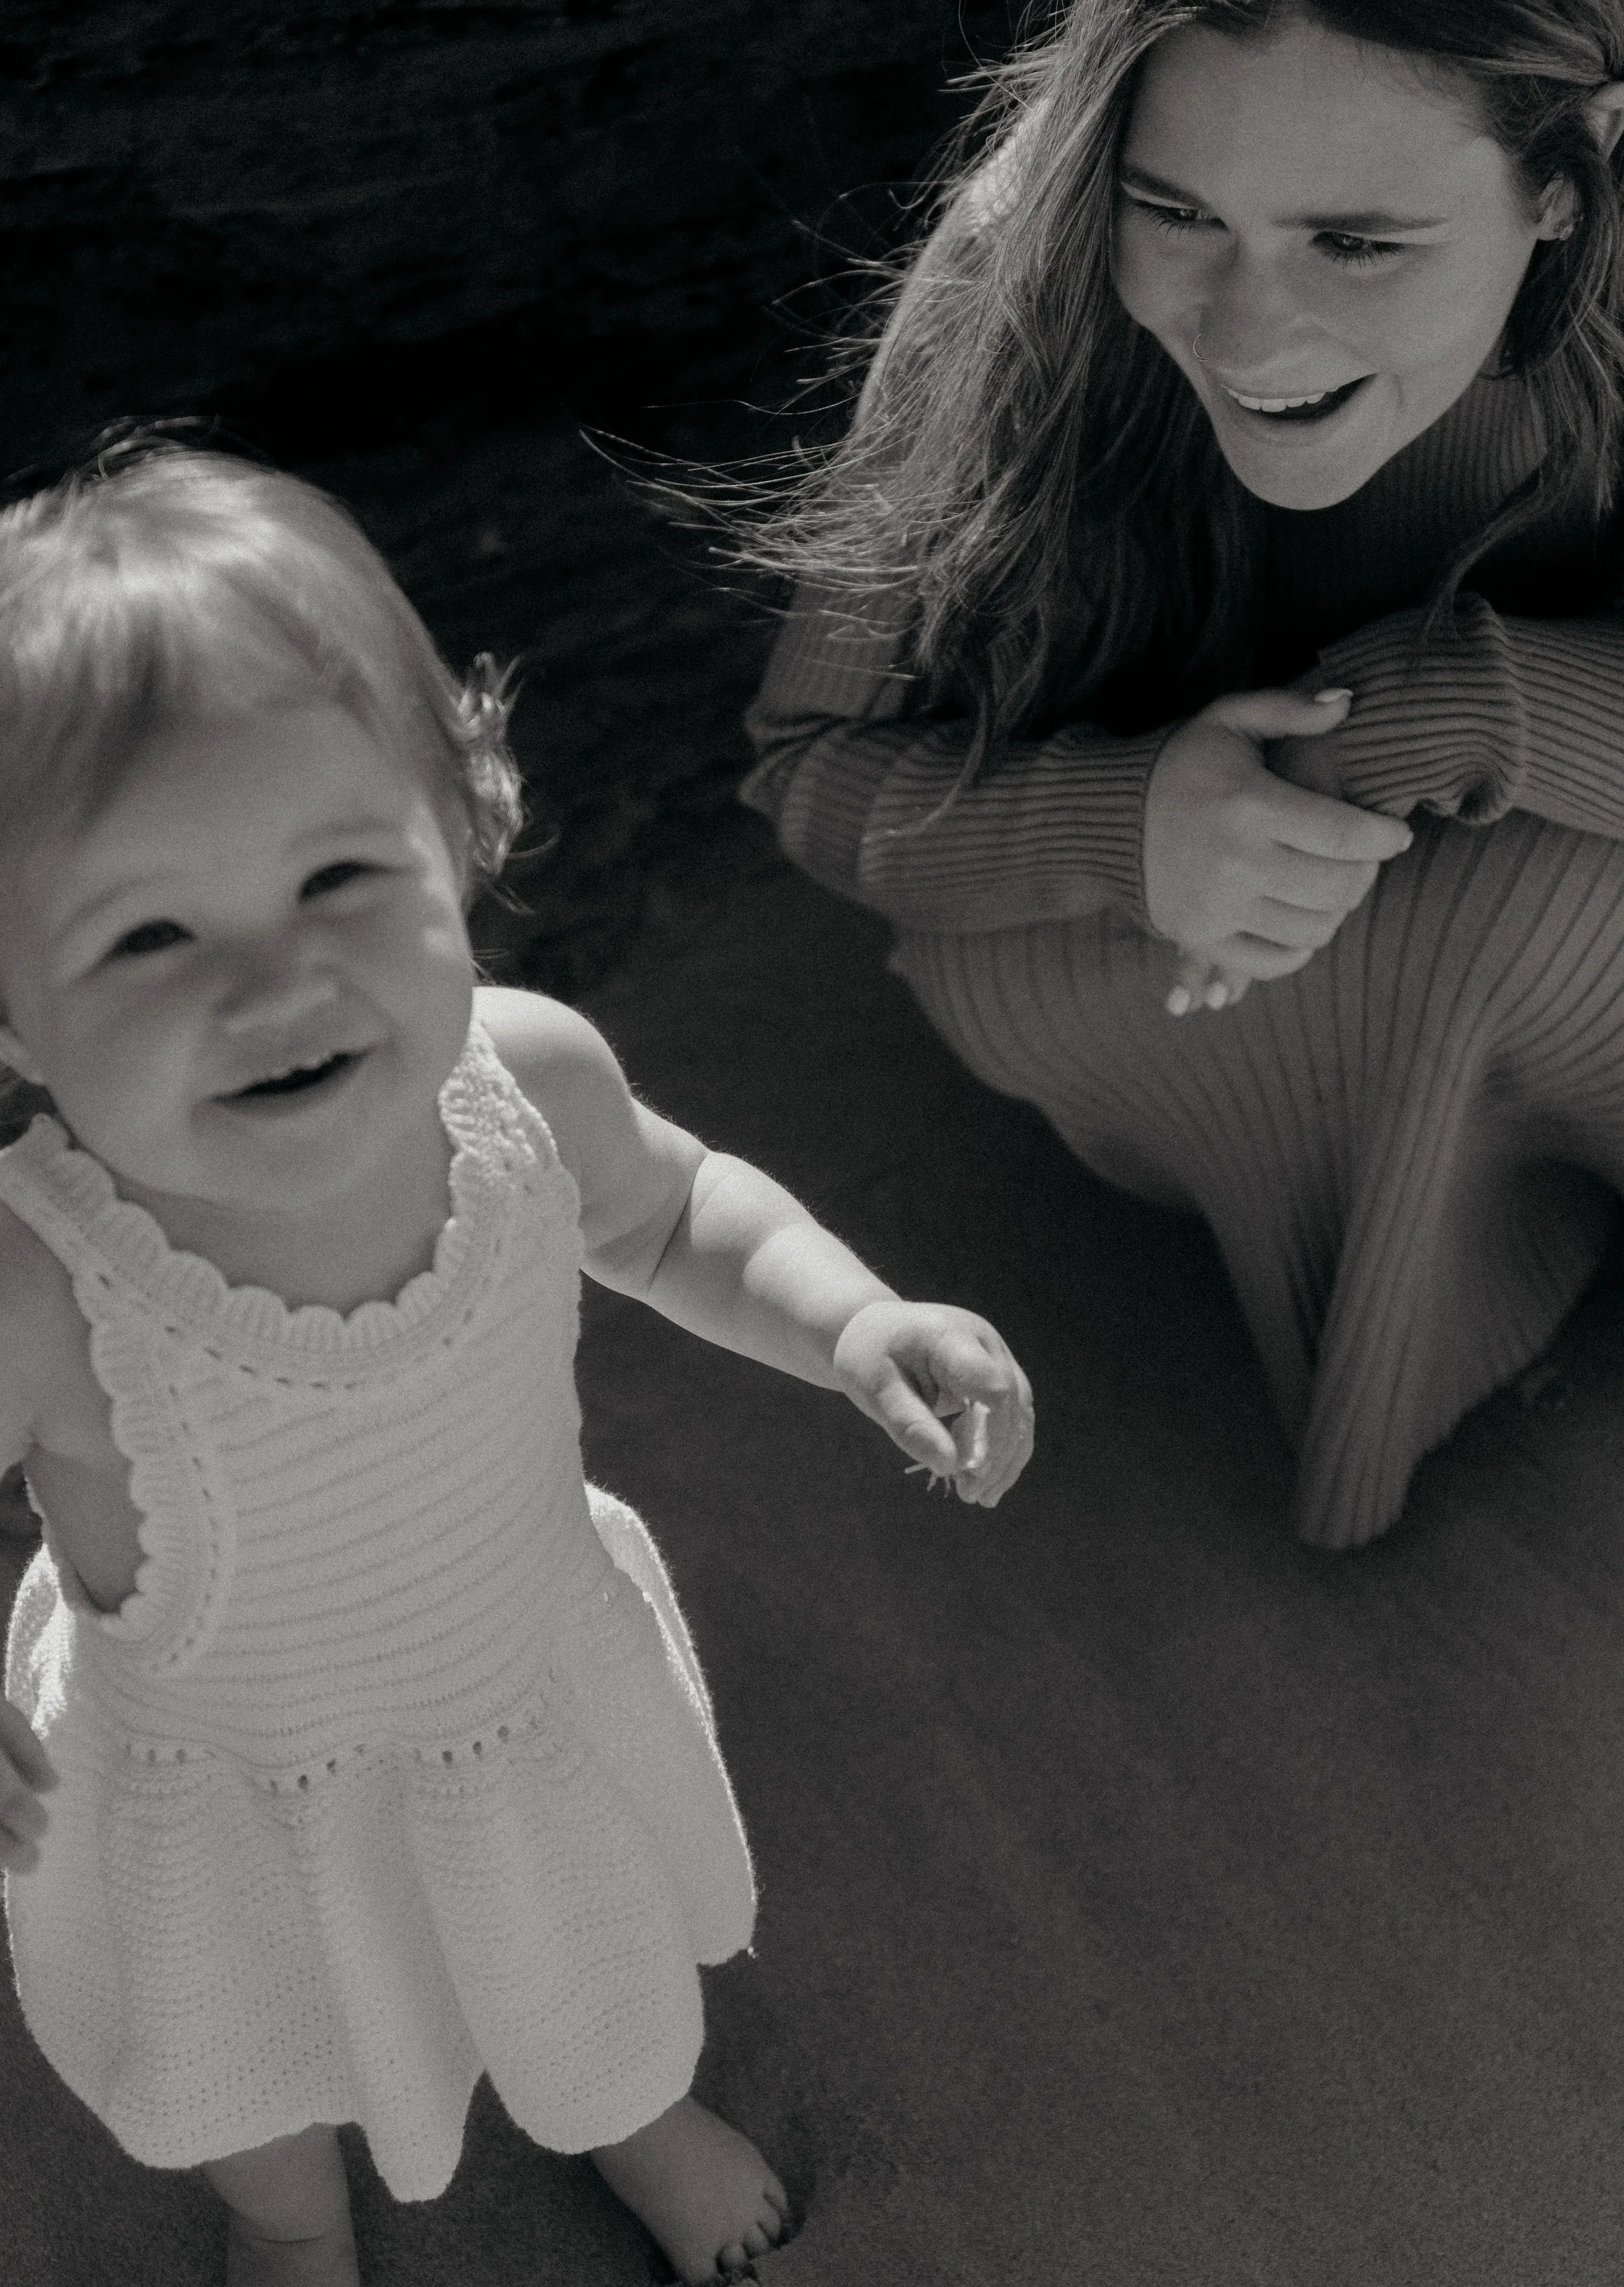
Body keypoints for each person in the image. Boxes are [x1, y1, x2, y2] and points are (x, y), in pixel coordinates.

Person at [0, 439, 1034, 2287]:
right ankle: (293, 2229)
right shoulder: (38, 1274)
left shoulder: (525, 1082)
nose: (277, 980)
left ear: (461, 827)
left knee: (589, 1970)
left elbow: (675, 1215)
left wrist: (851, 1318)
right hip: (212, 1787)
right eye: (149, 933)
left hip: (507, 1690)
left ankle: (629, 2117)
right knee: (246, 2064)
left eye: (341, 872)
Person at [740, 0, 1624, 1550]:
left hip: (1551, 845)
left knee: (1527, 892)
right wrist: (1128, 825)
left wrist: (1457, 703)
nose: (1246, 328)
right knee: (1492, 911)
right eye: (1174, 212)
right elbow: (810, 767)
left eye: (1357, 240)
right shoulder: (1017, 259)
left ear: (1569, 182)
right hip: (1147, 954)